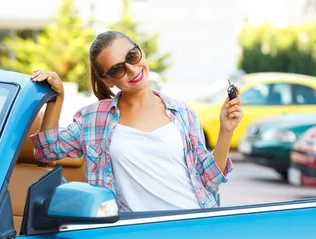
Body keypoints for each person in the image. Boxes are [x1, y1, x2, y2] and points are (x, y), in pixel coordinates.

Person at [29, 31, 243, 212]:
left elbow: (210, 179)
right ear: (106, 80)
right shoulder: (94, 119)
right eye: (117, 69)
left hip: (191, 223)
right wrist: (56, 100)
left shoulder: (182, 112)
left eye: (132, 55)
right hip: (133, 236)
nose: (132, 69)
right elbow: (47, 150)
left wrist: (226, 130)